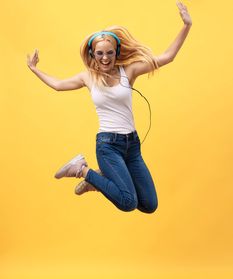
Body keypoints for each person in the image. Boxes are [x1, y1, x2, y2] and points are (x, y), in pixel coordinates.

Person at [27, 2, 192, 213]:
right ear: (92, 54)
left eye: (109, 53)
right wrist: (34, 69)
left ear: (117, 52)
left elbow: (167, 57)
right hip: (108, 146)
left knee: (149, 205)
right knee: (128, 202)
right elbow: (58, 85)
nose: (105, 58)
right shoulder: (87, 77)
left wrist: (186, 25)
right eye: (100, 53)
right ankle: (82, 170)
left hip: (132, 146)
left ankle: (99, 179)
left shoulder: (129, 72)